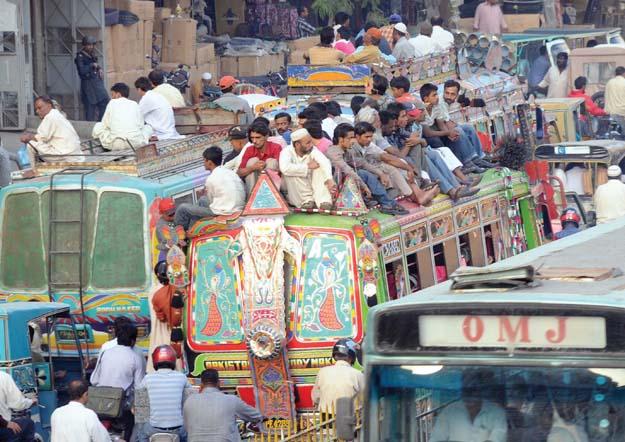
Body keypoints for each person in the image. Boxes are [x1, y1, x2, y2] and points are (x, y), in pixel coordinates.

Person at [325, 123, 409, 215]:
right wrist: (364, 186)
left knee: (365, 172)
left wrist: (381, 174)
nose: (353, 141)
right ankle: (387, 203)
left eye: (353, 138)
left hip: (346, 184)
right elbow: (348, 170)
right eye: (350, 138)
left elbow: (362, 163)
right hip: (334, 187)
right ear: (341, 139)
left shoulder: (347, 151)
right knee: (361, 173)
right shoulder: (333, 152)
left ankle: (385, 202)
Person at [355, 121, 439, 205]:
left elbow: (386, 156)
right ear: (357, 137)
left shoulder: (369, 144)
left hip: (373, 168)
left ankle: (419, 194)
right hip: (362, 173)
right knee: (391, 168)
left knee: (400, 163)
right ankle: (417, 197)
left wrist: (409, 168)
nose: (369, 139)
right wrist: (381, 173)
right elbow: (385, 159)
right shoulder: (354, 146)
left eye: (370, 136)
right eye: (366, 137)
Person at [90, 322, 145, 441]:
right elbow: (140, 388)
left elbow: (94, 380)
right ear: (133, 341)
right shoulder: (135, 357)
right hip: (121, 408)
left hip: (99, 405)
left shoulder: (106, 353)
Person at [175, 146, 246, 231]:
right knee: (202, 200)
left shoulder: (211, 179)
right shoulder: (230, 172)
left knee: (182, 208)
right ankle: (193, 229)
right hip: (237, 207)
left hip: (224, 212)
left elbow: (212, 201)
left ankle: (179, 235)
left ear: (209, 162)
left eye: (204, 160)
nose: (203, 163)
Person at [420, 83, 486, 173]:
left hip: (437, 132)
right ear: (426, 99)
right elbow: (428, 133)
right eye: (434, 95)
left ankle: (478, 158)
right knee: (455, 132)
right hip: (427, 136)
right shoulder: (422, 110)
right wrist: (448, 133)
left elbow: (441, 124)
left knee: (465, 129)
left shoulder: (436, 106)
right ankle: (466, 164)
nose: (437, 97)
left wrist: (450, 134)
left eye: (452, 94)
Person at [183, 369, 262, 442]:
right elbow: (256, 416)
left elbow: (186, 427)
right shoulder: (232, 400)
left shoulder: (189, 401)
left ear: (201, 384)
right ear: (218, 383)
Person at [430, 370, 507, 442]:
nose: (470, 394)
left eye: (474, 389)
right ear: (462, 390)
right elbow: (435, 439)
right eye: (466, 389)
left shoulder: (497, 412)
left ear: (480, 390)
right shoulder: (449, 412)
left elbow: (499, 438)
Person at [137, 345, 192, 442]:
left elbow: (139, 402)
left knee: (141, 433)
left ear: (155, 360)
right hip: (178, 429)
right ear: (173, 359)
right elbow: (190, 399)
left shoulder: (148, 378)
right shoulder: (181, 377)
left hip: (153, 429)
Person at [441, 80, 496, 168]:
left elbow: (448, 121)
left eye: (452, 94)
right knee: (459, 130)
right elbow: (446, 124)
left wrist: (453, 125)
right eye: (447, 93)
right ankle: (471, 159)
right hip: (441, 135)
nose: (449, 96)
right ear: (443, 92)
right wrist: (454, 126)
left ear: (456, 95)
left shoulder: (447, 103)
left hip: (446, 130)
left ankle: (481, 156)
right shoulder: (441, 103)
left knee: (468, 127)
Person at [279, 128, 336, 210]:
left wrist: (329, 179)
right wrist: (307, 167)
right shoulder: (286, 152)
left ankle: (324, 201)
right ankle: (306, 202)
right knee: (291, 171)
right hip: (296, 190)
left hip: (311, 184)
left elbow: (324, 161)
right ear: (297, 145)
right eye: (307, 143)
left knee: (319, 166)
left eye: (311, 141)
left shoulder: (312, 150)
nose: (311, 145)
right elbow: (284, 168)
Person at [20, 96, 84, 162]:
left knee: (30, 145)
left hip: (65, 155)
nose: (37, 111)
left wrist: (27, 138)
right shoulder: (57, 114)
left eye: (39, 108)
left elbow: (41, 138)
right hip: (75, 155)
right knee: (42, 145)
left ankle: (34, 170)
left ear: (49, 106)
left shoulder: (50, 117)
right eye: (36, 109)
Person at [92, 82, 152, 150]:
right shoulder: (134, 104)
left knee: (98, 126)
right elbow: (141, 125)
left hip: (116, 144)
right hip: (136, 143)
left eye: (112, 94)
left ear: (118, 94)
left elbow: (105, 125)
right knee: (148, 127)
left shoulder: (112, 103)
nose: (112, 97)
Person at [311, 339, 364, 413]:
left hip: (326, 417)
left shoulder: (322, 372)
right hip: (349, 419)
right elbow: (364, 399)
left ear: (335, 356)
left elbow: (315, 398)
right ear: (351, 357)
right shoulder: (358, 374)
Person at [237, 122, 282, 194]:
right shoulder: (249, 149)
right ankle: (252, 199)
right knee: (252, 161)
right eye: (252, 138)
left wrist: (266, 169)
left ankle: (272, 197)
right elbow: (239, 172)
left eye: (258, 137)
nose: (254, 141)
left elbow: (282, 170)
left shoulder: (276, 147)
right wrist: (253, 168)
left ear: (266, 136)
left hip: (275, 187)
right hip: (254, 185)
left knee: (271, 162)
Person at [135, 77, 182, 141]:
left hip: (161, 132)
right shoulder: (157, 95)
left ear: (139, 89)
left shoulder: (146, 98)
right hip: (169, 130)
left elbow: (137, 116)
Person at [74, 35, 109, 121]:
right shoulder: (80, 56)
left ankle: (100, 123)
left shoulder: (91, 54)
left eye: (92, 45)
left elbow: (95, 64)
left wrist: (99, 68)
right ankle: (90, 128)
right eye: (89, 45)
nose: (91, 47)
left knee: (105, 101)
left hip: (96, 82)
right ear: (84, 45)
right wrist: (91, 65)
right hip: (88, 84)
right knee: (90, 107)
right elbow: (82, 71)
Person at [0, 371, 36, 442]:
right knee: (27, 423)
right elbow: (18, 404)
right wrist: (31, 402)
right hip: (2, 428)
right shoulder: (3, 377)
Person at [155, 198, 186, 262]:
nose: (172, 216)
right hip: (172, 259)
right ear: (161, 213)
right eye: (170, 214)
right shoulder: (161, 227)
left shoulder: (173, 220)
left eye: (174, 213)